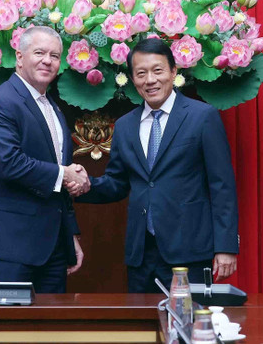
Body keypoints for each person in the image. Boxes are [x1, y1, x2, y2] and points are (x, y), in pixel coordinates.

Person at [74, 38, 239, 293]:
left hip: (189, 251)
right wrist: (84, 186)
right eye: (141, 73)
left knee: (187, 327)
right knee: (145, 329)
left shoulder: (202, 117)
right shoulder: (126, 126)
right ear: (132, 78)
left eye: (157, 70)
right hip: (141, 254)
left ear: (173, 72)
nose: (150, 80)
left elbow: (222, 186)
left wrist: (226, 246)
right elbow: (117, 183)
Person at [0, 26, 91, 292]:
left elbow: (59, 183)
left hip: (54, 248)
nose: (47, 60)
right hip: (12, 247)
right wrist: (65, 174)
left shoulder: (53, 108)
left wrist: (70, 234)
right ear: (19, 56)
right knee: (9, 331)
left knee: (50, 330)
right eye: (39, 52)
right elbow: (9, 163)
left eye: (54, 55)